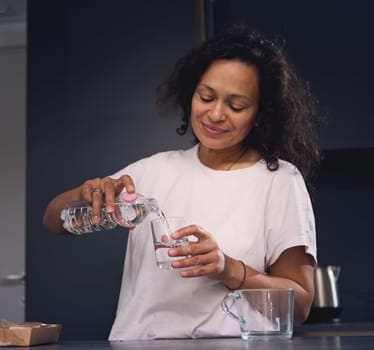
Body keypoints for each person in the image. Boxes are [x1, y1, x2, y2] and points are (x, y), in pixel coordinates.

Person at [43, 24, 321, 340]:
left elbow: (299, 305)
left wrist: (228, 269)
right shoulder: (152, 171)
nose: (215, 114)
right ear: (191, 95)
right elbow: (54, 219)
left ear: (259, 114)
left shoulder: (279, 181)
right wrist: (87, 192)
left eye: (236, 106)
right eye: (206, 97)